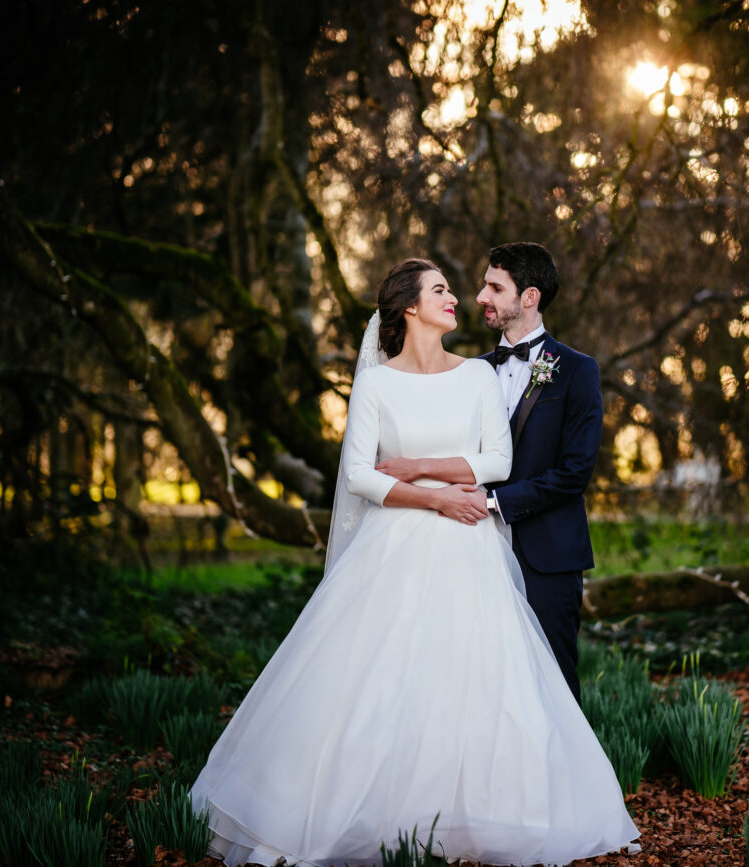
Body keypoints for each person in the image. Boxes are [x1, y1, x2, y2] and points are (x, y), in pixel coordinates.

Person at [190, 258, 639, 867]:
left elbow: (506, 464)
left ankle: (502, 812)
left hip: (480, 544)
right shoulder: (385, 382)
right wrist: (431, 493)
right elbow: (356, 473)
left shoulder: (504, 375)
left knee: (497, 682)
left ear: (528, 297)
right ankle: (379, 815)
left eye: (480, 288)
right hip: (398, 543)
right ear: (408, 307)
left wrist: (413, 468)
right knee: (382, 680)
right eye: (444, 290)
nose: (463, 297)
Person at [478, 243, 603, 704]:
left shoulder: (576, 371)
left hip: (549, 557)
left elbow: (574, 473)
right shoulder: (471, 373)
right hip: (476, 554)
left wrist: (495, 503)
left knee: (553, 687)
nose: (480, 297)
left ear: (529, 297)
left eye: (494, 287)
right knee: (486, 684)